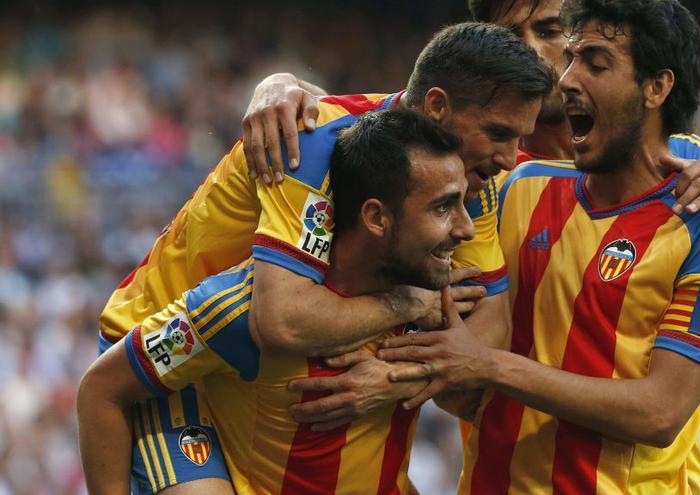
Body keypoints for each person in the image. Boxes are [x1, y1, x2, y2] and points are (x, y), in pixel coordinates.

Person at [94, 22, 553, 494]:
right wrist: (412, 304)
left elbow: (488, 328)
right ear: (436, 106)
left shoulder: (462, 180)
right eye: (498, 133)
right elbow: (282, 320)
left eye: (518, 138)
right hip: (165, 348)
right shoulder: (314, 140)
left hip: (243, 368)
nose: (508, 157)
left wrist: (400, 377)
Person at [375, 1, 700, 492]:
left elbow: (661, 412)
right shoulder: (516, 186)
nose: (564, 78)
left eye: (595, 63)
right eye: (573, 59)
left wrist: (488, 366)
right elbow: (459, 365)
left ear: (656, 87)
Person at [245, 0, 700, 335]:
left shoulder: (675, 161)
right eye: (511, 35)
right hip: (503, 461)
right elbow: (366, 119)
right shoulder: (456, 167)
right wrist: (281, 88)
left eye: (548, 31)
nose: (532, 52)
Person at [79, 108, 474, 494]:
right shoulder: (239, 309)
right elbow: (102, 388)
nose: (466, 228)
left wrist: (406, 377)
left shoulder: (438, 290)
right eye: (443, 207)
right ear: (376, 218)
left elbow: (478, 392)